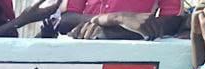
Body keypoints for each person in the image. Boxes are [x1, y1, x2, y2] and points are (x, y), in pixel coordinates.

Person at [55, 0, 184, 38]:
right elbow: (64, 20)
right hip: (82, 44)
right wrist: (115, 18)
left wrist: (108, 33)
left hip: (130, 54)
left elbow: (173, 22)